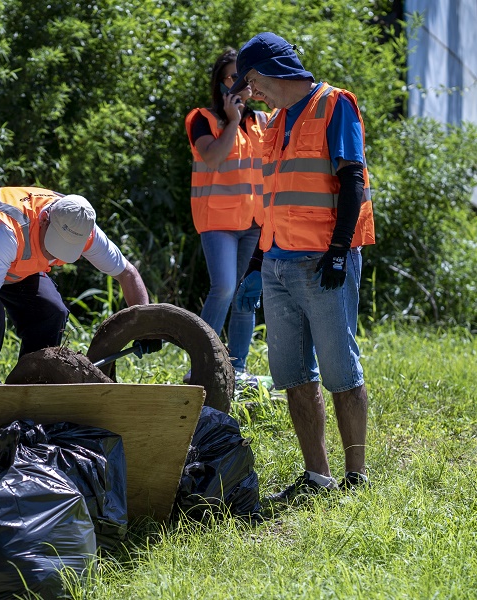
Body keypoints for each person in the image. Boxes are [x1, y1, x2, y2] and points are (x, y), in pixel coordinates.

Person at [231, 33, 376, 502]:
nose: (252, 92)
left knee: (341, 372)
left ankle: (356, 477)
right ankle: (317, 478)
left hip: (323, 262)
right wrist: (257, 262)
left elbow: (352, 180)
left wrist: (338, 251)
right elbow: (272, 198)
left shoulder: (335, 105)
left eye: (251, 81)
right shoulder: (275, 124)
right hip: (276, 264)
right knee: (292, 375)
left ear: (272, 68)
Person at [0, 186, 160, 383]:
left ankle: (30, 388)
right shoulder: (8, 229)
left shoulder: (81, 225)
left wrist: (144, 326)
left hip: (14, 261)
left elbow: (128, 274)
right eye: (53, 244)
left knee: (51, 313)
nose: (53, 253)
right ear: (44, 219)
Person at [185, 48, 267, 382]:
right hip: (218, 222)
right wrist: (232, 122)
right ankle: (201, 368)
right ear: (220, 82)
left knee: (246, 294)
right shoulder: (201, 119)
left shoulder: (261, 121)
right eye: (232, 77)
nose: (239, 83)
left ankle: (238, 370)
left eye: (244, 77)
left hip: (253, 223)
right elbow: (214, 158)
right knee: (223, 288)